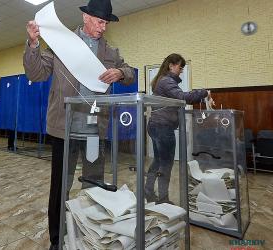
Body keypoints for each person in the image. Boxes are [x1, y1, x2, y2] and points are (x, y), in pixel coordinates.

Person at [24, 0, 135, 249]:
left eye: (106, 22)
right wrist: (33, 44)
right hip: (64, 128)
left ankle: (91, 234)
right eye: (99, 21)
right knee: (60, 187)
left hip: (95, 131)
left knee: (94, 186)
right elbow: (36, 73)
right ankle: (57, 239)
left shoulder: (110, 51)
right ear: (86, 18)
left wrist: (120, 73)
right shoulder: (64, 44)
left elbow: (129, 72)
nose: (103, 27)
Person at [145, 53, 214, 204]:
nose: (181, 70)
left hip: (157, 125)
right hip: (163, 127)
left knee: (158, 161)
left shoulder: (162, 81)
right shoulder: (167, 81)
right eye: (180, 67)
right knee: (166, 164)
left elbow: (178, 97)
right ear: (171, 65)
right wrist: (203, 92)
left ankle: (148, 191)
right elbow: (182, 97)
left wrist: (200, 96)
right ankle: (163, 199)